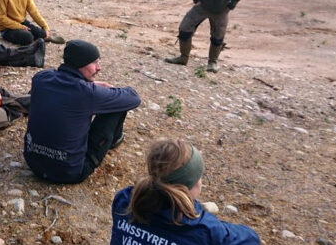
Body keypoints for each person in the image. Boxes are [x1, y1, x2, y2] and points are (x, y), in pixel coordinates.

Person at [23, 40, 140, 183]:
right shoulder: (87, 93)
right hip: (69, 173)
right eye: (94, 63)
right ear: (80, 63)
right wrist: (102, 91)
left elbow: (63, 85)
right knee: (117, 105)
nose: (99, 68)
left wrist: (91, 85)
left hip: (34, 163)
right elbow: (133, 98)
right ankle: (114, 140)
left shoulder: (40, 78)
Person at [110, 139, 260, 244]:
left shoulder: (125, 200)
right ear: (188, 187)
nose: (201, 183)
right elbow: (251, 239)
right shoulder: (205, 230)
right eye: (199, 178)